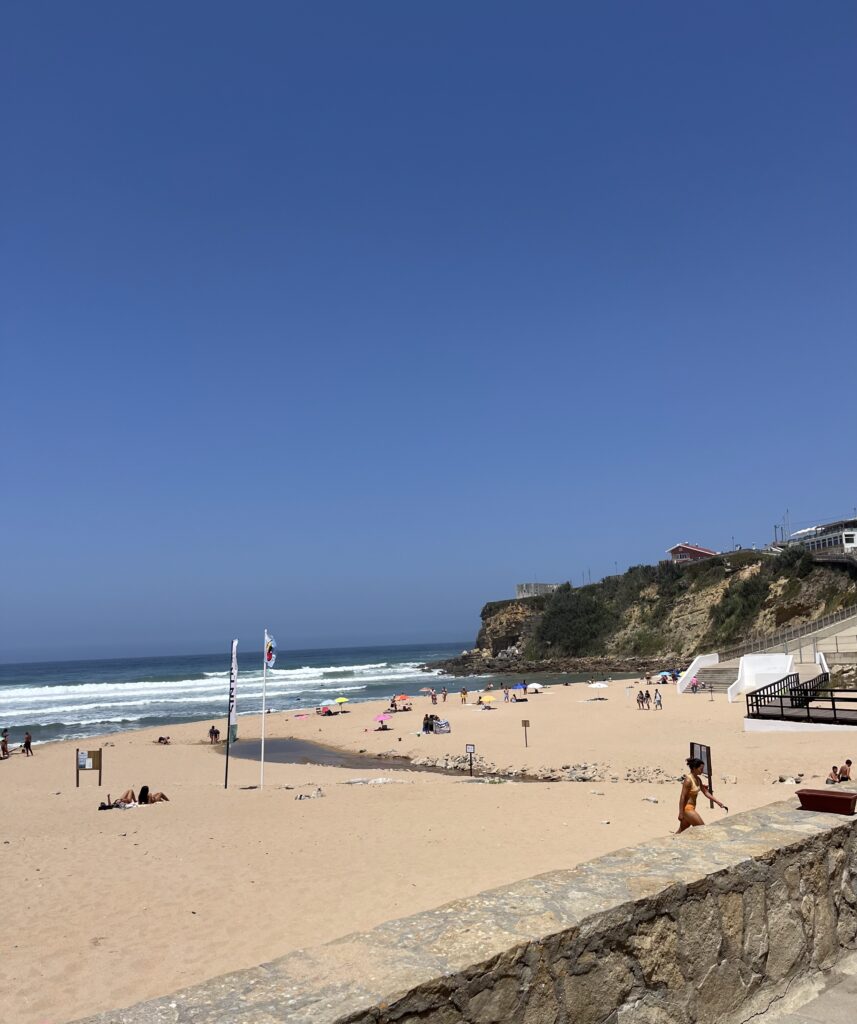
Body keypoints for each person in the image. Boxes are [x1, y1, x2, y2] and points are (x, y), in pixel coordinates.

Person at [676, 757, 727, 832]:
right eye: (701, 769)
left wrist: (718, 802)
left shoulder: (698, 779)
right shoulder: (688, 780)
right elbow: (682, 797)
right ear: (694, 768)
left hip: (692, 808)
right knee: (702, 830)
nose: (702, 771)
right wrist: (680, 812)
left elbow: (705, 792)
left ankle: (668, 843)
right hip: (687, 809)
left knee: (681, 831)